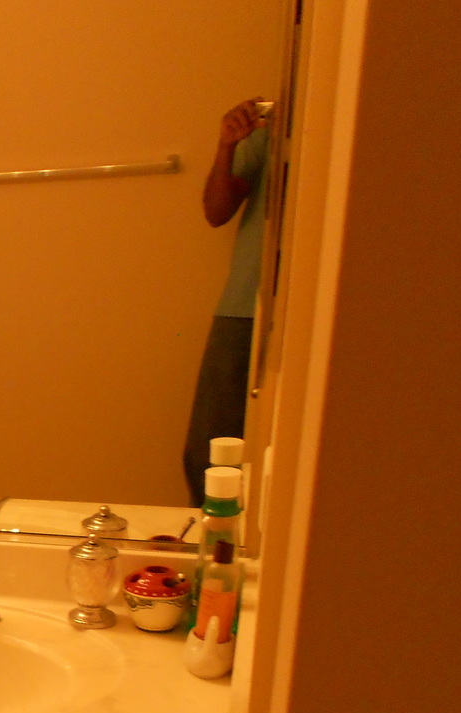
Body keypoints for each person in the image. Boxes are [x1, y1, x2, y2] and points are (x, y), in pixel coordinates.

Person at [183, 98, 270, 506]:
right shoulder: (271, 129)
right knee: (208, 454)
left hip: (312, 312)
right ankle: (211, 556)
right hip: (244, 305)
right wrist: (227, 145)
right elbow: (216, 210)